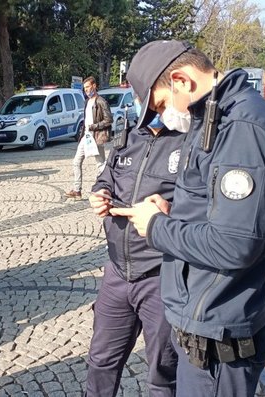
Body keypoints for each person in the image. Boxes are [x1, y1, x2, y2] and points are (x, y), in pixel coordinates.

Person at [112, 40, 265, 397]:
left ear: (182, 80)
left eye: (162, 104)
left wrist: (157, 227)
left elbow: (234, 244)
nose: (164, 116)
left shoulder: (241, 126)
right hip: (202, 321)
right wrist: (172, 213)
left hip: (218, 333)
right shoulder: (210, 116)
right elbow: (213, 212)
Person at [86, 104, 183, 396]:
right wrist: (99, 192)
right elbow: (106, 178)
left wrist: (171, 212)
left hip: (160, 274)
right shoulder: (127, 137)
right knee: (100, 362)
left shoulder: (189, 142)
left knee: (162, 371)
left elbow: (204, 208)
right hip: (117, 271)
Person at [64, 76, 112, 199]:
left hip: (96, 136)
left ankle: (104, 189)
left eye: (88, 87)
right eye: (84, 88)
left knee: (100, 164)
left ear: (94, 86)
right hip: (86, 136)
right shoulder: (87, 101)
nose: (86, 90)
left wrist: (94, 126)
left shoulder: (101, 101)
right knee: (76, 161)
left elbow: (108, 120)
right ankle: (77, 190)